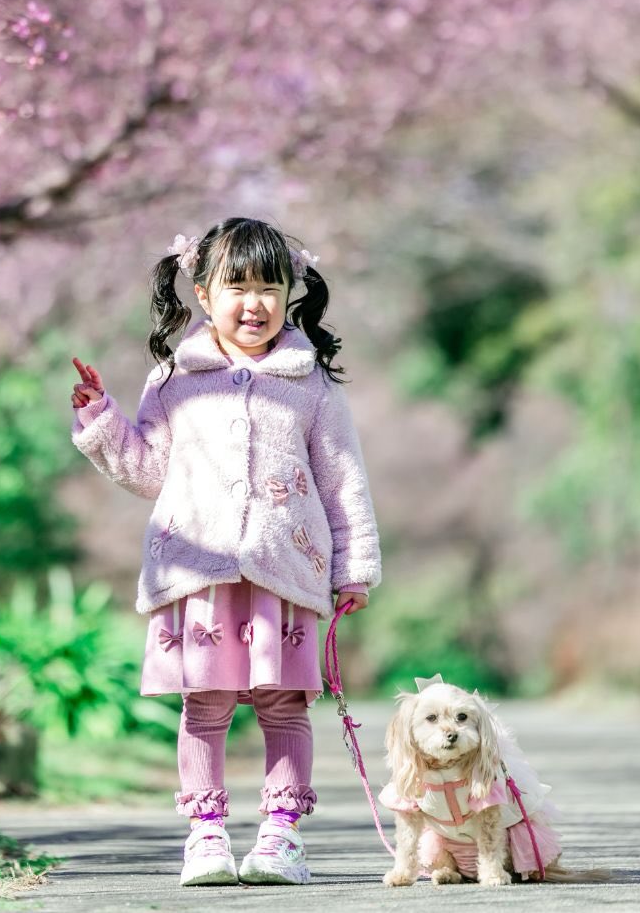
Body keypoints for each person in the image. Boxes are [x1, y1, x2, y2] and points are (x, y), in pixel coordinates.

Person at [70, 216, 381, 886]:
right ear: (203, 294)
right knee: (203, 705)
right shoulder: (176, 378)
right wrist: (102, 419)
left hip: (285, 573)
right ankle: (206, 834)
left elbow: (343, 481)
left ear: (290, 293)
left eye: (270, 286)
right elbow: (151, 470)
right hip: (199, 574)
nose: (255, 303)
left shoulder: (309, 384)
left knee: (283, 705)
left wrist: (353, 568)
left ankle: (280, 837)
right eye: (236, 286)